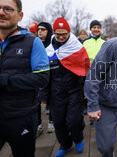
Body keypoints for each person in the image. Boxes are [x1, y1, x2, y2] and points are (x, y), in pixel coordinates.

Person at [0, 0, 50, 156]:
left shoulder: (32, 42)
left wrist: (5, 80)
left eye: (7, 9)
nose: (1, 12)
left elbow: (42, 78)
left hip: (20, 117)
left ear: (20, 15)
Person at [46, 17, 90, 157]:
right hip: (56, 93)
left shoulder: (76, 47)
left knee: (74, 121)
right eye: (57, 34)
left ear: (69, 32)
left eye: (64, 33)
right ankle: (65, 145)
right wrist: (43, 95)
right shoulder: (48, 50)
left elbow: (86, 69)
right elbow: (44, 74)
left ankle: (78, 138)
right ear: (54, 32)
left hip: (74, 90)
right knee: (58, 123)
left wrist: (86, 89)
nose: (61, 37)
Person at [36, 22, 55, 133]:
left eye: (43, 29)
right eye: (38, 29)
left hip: (51, 77)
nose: (40, 31)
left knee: (52, 101)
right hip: (37, 77)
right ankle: (38, 123)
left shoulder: (53, 44)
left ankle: (52, 122)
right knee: (36, 101)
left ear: (48, 31)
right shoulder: (34, 43)